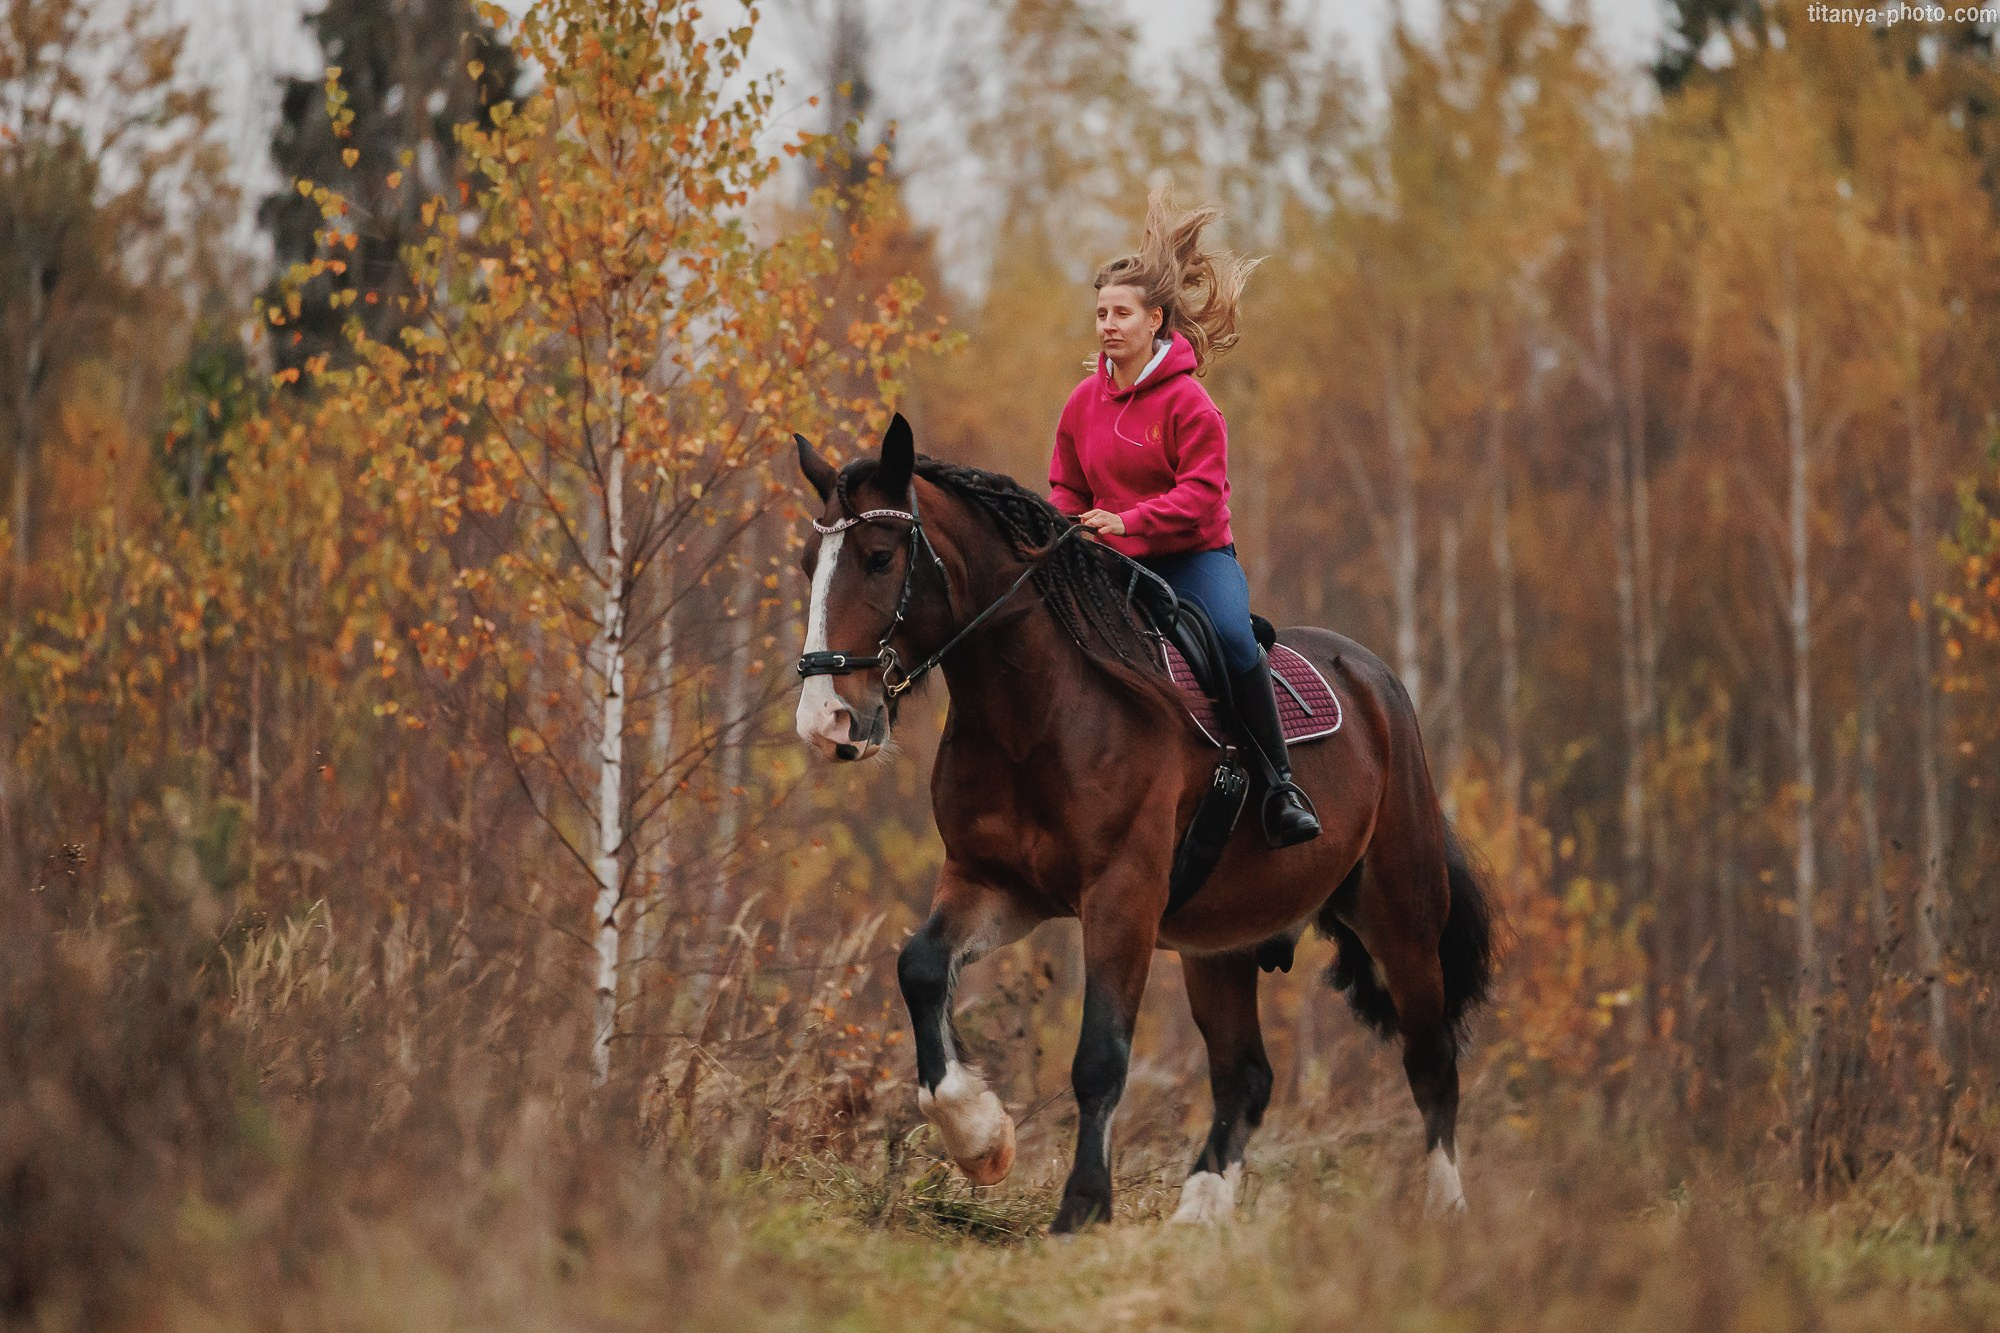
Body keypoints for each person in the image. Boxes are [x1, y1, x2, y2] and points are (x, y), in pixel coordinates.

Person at [1048, 190, 1321, 849]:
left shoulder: (1191, 404)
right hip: (1111, 561)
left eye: (1121, 313)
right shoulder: (1082, 403)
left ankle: (1281, 784)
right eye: (1101, 314)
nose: (1108, 325)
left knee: (1230, 637)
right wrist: (1068, 531)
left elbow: (1201, 498)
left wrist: (1127, 521)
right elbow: (1065, 484)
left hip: (1194, 560)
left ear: (1155, 320)